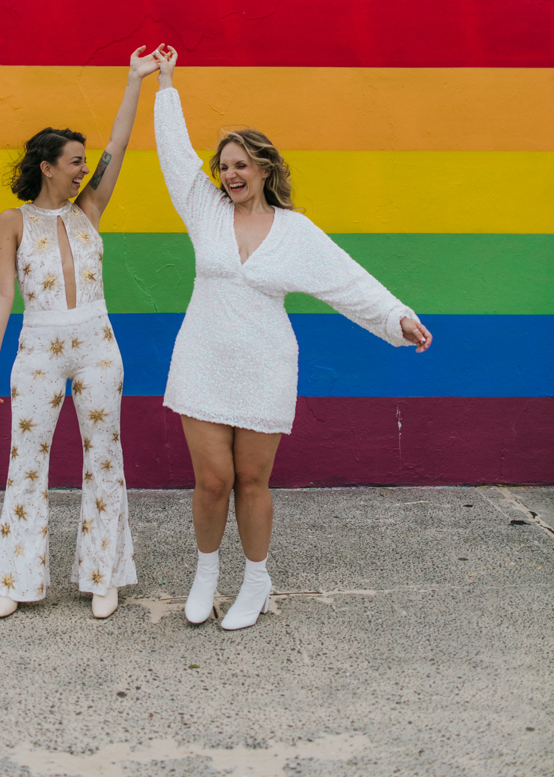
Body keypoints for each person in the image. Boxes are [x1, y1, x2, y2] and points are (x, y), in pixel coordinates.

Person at [152, 46, 433, 630]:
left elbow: (346, 280)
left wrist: (395, 317)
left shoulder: (295, 231)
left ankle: (256, 579)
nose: (229, 175)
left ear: (264, 169)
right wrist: (166, 83)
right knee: (212, 480)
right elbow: (175, 155)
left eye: (240, 166)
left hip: (264, 363)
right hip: (203, 356)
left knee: (252, 481)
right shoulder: (202, 208)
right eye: (224, 166)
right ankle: (206, 573)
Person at [0, 45, 163, 619]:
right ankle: (14, 578)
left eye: (86, 160)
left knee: (104, 456)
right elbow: (2, 291)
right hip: (36, 349)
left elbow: (120, 146)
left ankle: (103, 574)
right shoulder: (12, 221)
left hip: (98, 349)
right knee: (26, 461)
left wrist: (136, 79)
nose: (85, 167)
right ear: (48, 166)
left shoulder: (91, 209)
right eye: (75, 161)